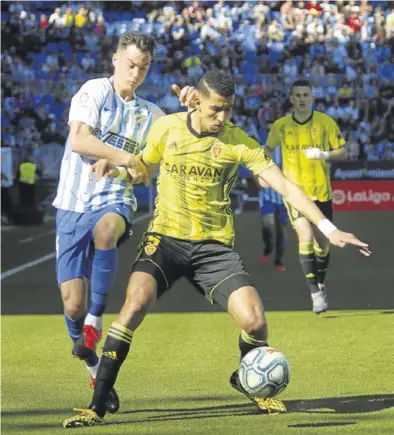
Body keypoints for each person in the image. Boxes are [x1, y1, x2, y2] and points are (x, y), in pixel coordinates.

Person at [63, 71, 370, 428]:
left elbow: (286, 186)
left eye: (228, 110)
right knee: (132, 308)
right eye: (215, 110)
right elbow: (142, 171)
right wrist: (118, 171)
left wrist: (329, 229)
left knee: (255, 321)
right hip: (166, 240)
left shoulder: (239, 142)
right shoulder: (167, 128)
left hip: (214, 248)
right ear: (197, 101)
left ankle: (247, 380)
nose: (222, 118)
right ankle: (96, 407)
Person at [52, 31, 196, 413]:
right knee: (71, 306)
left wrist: (193, 108)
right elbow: (80, 140)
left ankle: (96, 320)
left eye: (144, 68)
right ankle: (92, 360)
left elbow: (146, 171)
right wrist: (125, 158)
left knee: (107, 230)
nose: (136, 73)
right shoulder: (94, 91)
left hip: (113, 200)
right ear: (115, 60)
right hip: (71, 204)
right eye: (131, 64)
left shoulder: (152, 114)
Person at [265, 79, 348, 314]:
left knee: (323, 245)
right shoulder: (281, 126)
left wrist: (323, 154)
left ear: (312, 97)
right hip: (294, 192)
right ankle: (315, 294)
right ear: (292, 99)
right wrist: (265, 170)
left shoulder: (325, 122)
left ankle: (320, 282)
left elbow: (343, 151)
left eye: (305, 95)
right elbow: (267, 150)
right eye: (297, 95)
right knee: (305, 236)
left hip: (321, 191)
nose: (301, 99)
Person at [258, 145, 288, 272]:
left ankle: (278, 261)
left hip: (283, 198)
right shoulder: (262, 149)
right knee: (268, 226)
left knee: (282, 231)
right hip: (267, 197)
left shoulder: (288, 150)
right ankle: (268, 248)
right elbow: (254, 169)